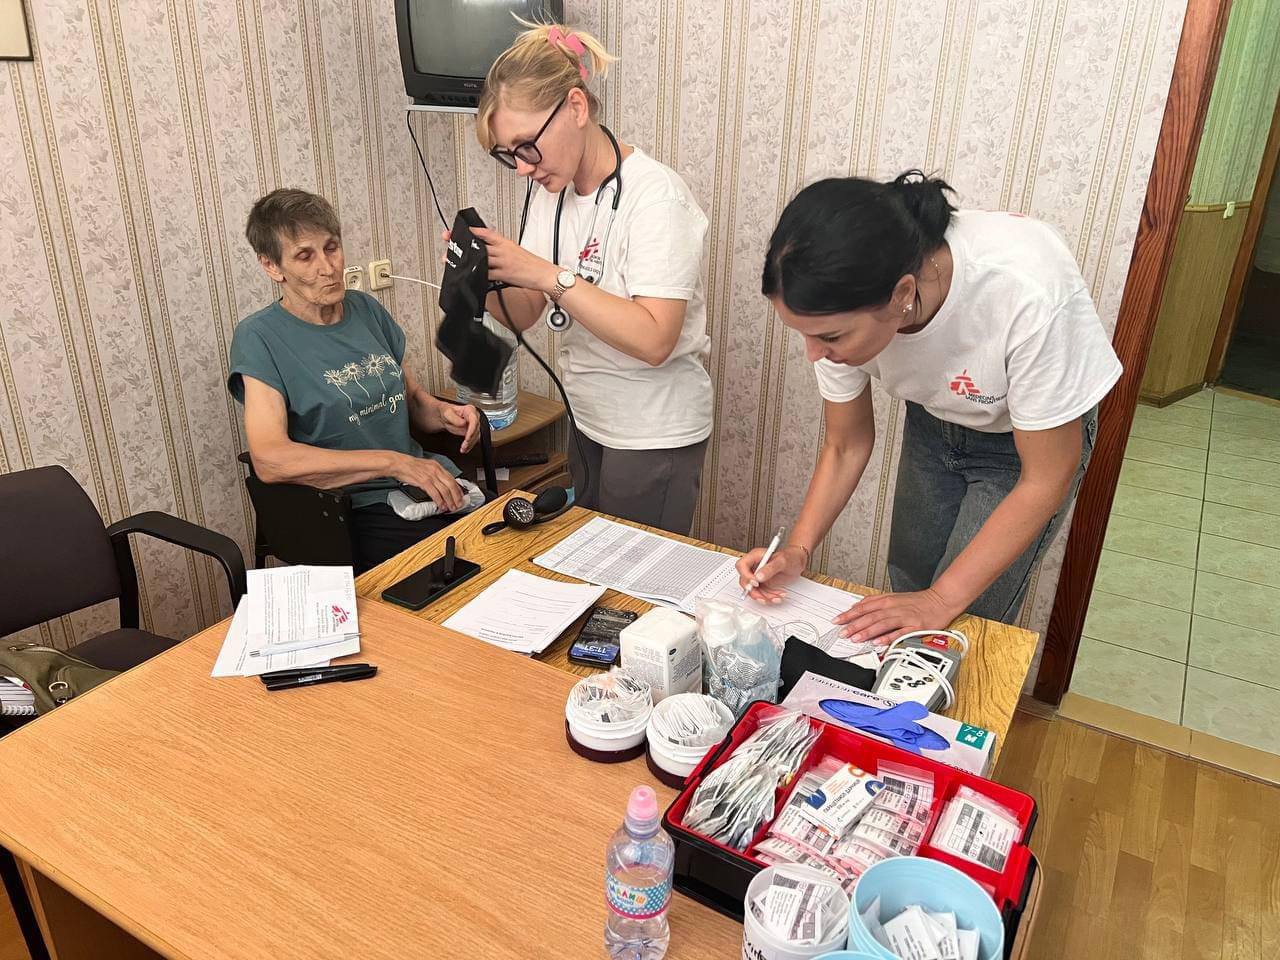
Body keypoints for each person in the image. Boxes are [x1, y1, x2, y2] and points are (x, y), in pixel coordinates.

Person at [737, 172, 1122, 643]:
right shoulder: (838, 307)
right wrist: (798, 549)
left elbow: (1045, 477)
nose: (814, 353)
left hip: (1025, 446)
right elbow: (845, 445)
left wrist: (941, 600)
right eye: (804, 334)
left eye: (830, 337)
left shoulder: (1026, 290)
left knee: (964, 615)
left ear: (902, 294)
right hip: (934, 421)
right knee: (909, 587)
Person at [467, 20, 713, 535]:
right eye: (508, 155)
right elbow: (527, 312)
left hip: (651, 431)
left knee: (634, 578)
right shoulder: (549, 193)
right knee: (588, 566)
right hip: (587, 417)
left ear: (576, 108)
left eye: (526, 146)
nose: (522, 168)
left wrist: (548, 275)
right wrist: (482, 279)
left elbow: (655, 339)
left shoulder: (656, 198)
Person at [228, 188, 483, 572]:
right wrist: (393, 463)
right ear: (272, 266)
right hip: (347, 510)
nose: (328, 267)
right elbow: (270, 459)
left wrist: (446, 414)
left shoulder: (366, 309)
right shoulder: (259, 338)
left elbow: (413, 401)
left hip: (420, 484)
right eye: (305, 256)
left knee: (511, 536)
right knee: (464, 566)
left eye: (331, 248)